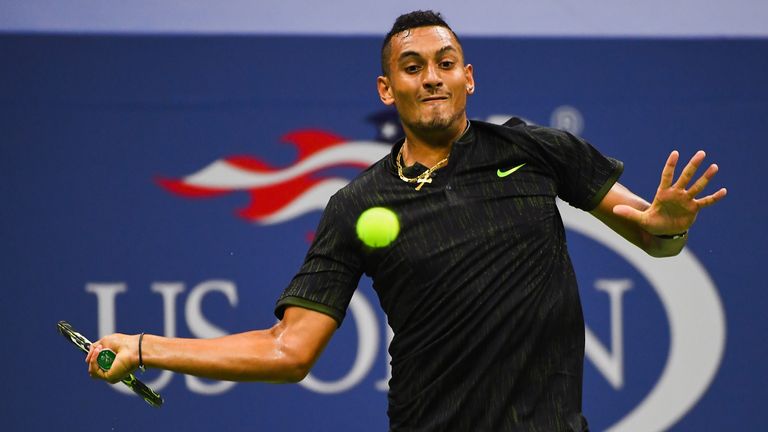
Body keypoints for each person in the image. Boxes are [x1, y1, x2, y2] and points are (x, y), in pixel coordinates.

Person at [86, 10, 727, 432]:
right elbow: (289, 350)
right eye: (412, 68)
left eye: (445, 63)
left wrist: (668, 223)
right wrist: (145, 346)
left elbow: (655, 239)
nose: (432, 78)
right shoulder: (358, 205)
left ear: (468, 77)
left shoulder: (535, 151)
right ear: (387, 90)